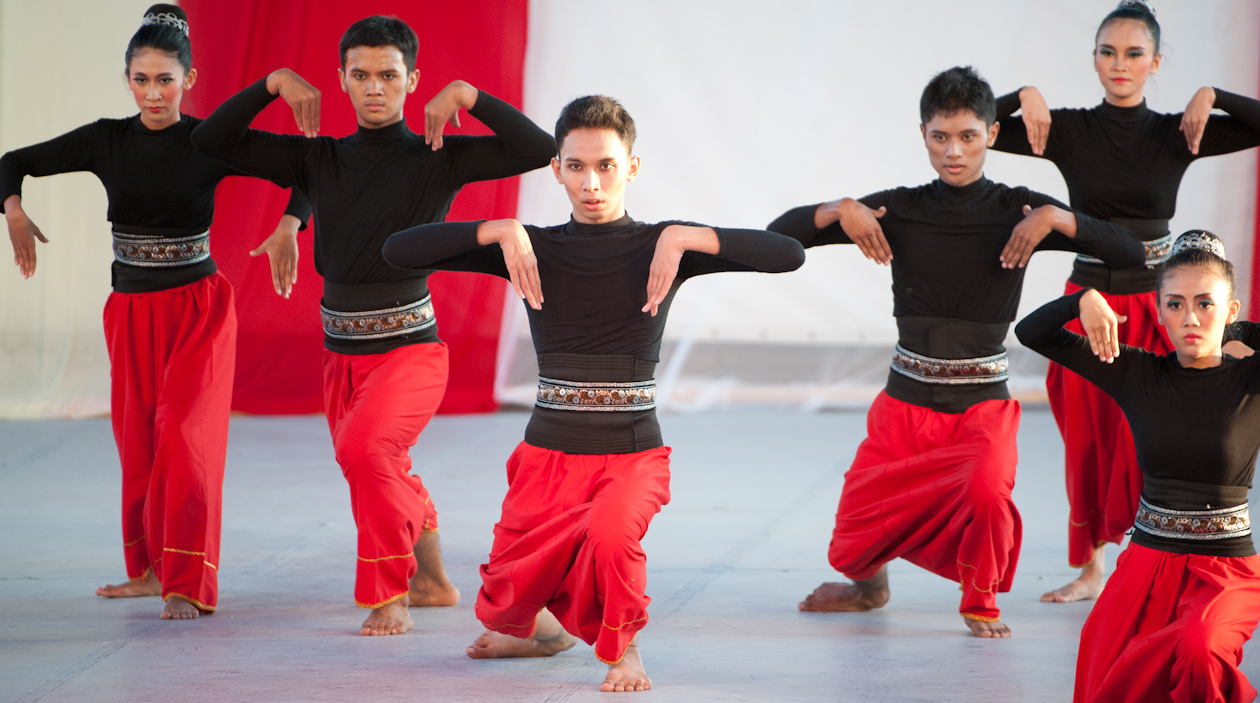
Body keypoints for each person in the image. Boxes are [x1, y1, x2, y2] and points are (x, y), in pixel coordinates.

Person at [382, 95, 805, 691]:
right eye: (576, 166)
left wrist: (686, 235)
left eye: (606, 165)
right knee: (503, 602)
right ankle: (548, 633)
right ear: (556, 169)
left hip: (631, 454)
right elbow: (398, 249)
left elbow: (787, 254)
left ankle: (623, 651)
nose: (591, 182)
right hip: (547, 457)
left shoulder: (664, 246)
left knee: (610, 537)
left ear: (632, 167)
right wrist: (497, 228)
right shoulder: (531, 248)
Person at [190, 15, 556, 636]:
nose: (375, 88)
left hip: (412, 351)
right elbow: (211, 142)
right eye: (360, 75)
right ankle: (435, 581)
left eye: (389, 75)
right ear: (341, 80)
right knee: (382, 464)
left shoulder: (437, 158)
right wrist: (273, 82)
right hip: (341, 354)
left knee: (366, 450)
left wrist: (468, 94)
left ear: (413, 80)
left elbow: (539, 150)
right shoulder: (316, 159)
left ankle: (389, 593)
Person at [769, 66, 1145, 637]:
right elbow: (780, 236)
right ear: (923, 134)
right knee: (849, 543)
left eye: (968, 136)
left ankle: (980, 599)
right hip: (904, 405)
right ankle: (870, 588)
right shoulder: (901, 207)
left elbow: (1129, 252)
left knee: (988, 492)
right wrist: (839, 207)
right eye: (941, 137)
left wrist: (1056, 216)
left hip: (981, 410)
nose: (954, 151)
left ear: (992, 134)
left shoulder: (1019, 208)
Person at [0, 4, 310, 620]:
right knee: (138, 443)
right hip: (130, 313)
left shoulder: (208, 141)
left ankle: (188, 583)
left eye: (166, 79)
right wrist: (13, 211)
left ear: (189, 80)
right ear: (127, 79)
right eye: (141, 79)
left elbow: (306, 168)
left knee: (184, 439)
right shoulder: (106, 139)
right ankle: (146, 571)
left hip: (199, 311)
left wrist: (289, 227)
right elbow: (12, 162)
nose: (153, 92)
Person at [992, 0, 1260, 602]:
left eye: (1134, 53)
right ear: (1093, 60)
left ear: (1155, 62)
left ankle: (1149, 557)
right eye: (1108, 52)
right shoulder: (1067, 129)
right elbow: (975, 125)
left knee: (1149, 439)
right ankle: (1092, 568)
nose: (1120, 64)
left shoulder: (1177, 133)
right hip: (1085, 300)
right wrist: (1023, 94)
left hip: (1156, 306)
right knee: (1086, 443)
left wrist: (1212, 94)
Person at [1016, 231, 1259, 703]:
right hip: (1146, 562)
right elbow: (1032, 333)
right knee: (1102, 663)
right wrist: (1082, 299)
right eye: (1175, 304)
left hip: (1225, 568)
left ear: (1230, 311)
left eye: (1206, 304)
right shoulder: (1137, 373)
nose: (1190, 318)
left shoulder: (1250, 380)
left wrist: (1237, 332)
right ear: (1159, 308)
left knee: (1199, 649)